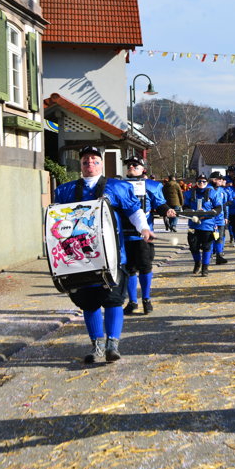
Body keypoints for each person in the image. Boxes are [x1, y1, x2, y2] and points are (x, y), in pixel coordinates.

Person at [53, 146, 154, 363]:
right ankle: (96, 345)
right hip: (81, 257)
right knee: (88, 303)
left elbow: (134, 210)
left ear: (101, 163)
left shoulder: (118, 187)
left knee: (113, 300)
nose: (90, 163)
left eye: (94, 159)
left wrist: (144, 228)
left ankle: (112, 345)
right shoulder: (65, 191)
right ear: (80, 165)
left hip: (113, 255)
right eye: (85, 160)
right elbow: (56, 220)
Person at [122, 157, 176, 316]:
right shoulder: (118, 185)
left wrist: (166, 210)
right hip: (124, 235)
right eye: (129, 165)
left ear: (142, 168)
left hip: (143, 236)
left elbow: (159, 204)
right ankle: (132, 302)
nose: (131, 166)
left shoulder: (151, 186)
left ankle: (146, 299)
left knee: (145, 267)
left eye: (135, 165)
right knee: (128, 269)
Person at [183, 174, 223, 276]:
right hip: (194, 224)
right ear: (196, 182)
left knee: (206, 246)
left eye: (204, 182)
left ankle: (205, 268)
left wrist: (210, 212)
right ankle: (197, 263)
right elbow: (185, 207)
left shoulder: (212, 193)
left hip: (207, 225)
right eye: (199, 181)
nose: (201, 183)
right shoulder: (190, 193)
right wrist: (191, 212)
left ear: (207, 183)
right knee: (193, 246)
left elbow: (218, 208)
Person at [209, 172, 229, 264]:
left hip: (220, 218)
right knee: (209, 238)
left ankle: (219, 255)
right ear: (213, 180)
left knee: (219, 237)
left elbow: (224, 205)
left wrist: (225, 216)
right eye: (219, 179)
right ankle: (208, 256)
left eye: (221, 179)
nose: (221, 181)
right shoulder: (207, 189)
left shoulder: (222, 191)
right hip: (209, 218)